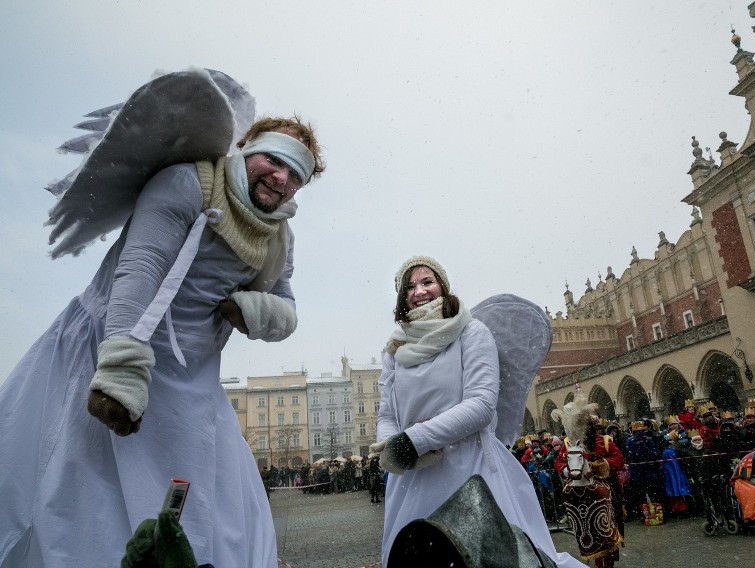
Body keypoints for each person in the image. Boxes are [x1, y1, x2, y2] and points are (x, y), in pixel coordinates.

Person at [0, 111, 325, 567]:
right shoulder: (188, 184)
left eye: (297, 174)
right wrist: (120, 369)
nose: (281, 177)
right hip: (113, 347)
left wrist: (256, 309)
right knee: (86, 500)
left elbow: (286, 307)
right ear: (248, 147)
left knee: (215, 510)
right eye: (275, 159)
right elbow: (142, 265)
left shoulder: (278, 238)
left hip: (194, 382)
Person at [373, 256, 581, 567]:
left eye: (427, 282)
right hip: (414, 477)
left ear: (442, 286)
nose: (419, 291)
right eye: (410, 286)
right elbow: (388, 413)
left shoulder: (471, 332)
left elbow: (481, 404)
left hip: (469, 467)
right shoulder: (395, 349)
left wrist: (417, 438)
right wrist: (392, 446)